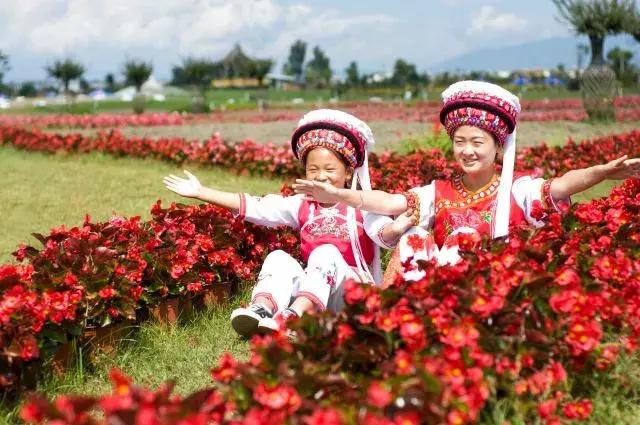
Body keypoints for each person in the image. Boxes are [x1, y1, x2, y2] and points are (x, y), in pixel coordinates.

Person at [293, 81, 640, 282]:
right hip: (441, 289)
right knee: (414, 237)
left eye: (477, 143)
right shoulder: (438, 192)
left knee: (462, 239)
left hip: (491, 287)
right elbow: (387, 203)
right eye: (460, 143)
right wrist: (338, 194)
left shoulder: (516, 190)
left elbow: (563, 185)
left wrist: (602, 173)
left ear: (496, 146)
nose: (468, 151)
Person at [163, 109, 399, 337]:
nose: (320, 176)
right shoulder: (301, 205)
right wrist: (201, 192)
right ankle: (261, 309)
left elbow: (384, 233)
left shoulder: (362, 206)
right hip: (318, 294)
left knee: (326, 252)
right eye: (313, 169)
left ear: (348, 172)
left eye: (329, 169)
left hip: (352, 297)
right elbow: (257, 206)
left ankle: (295, 317)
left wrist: (397, 228)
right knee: (278, 258)